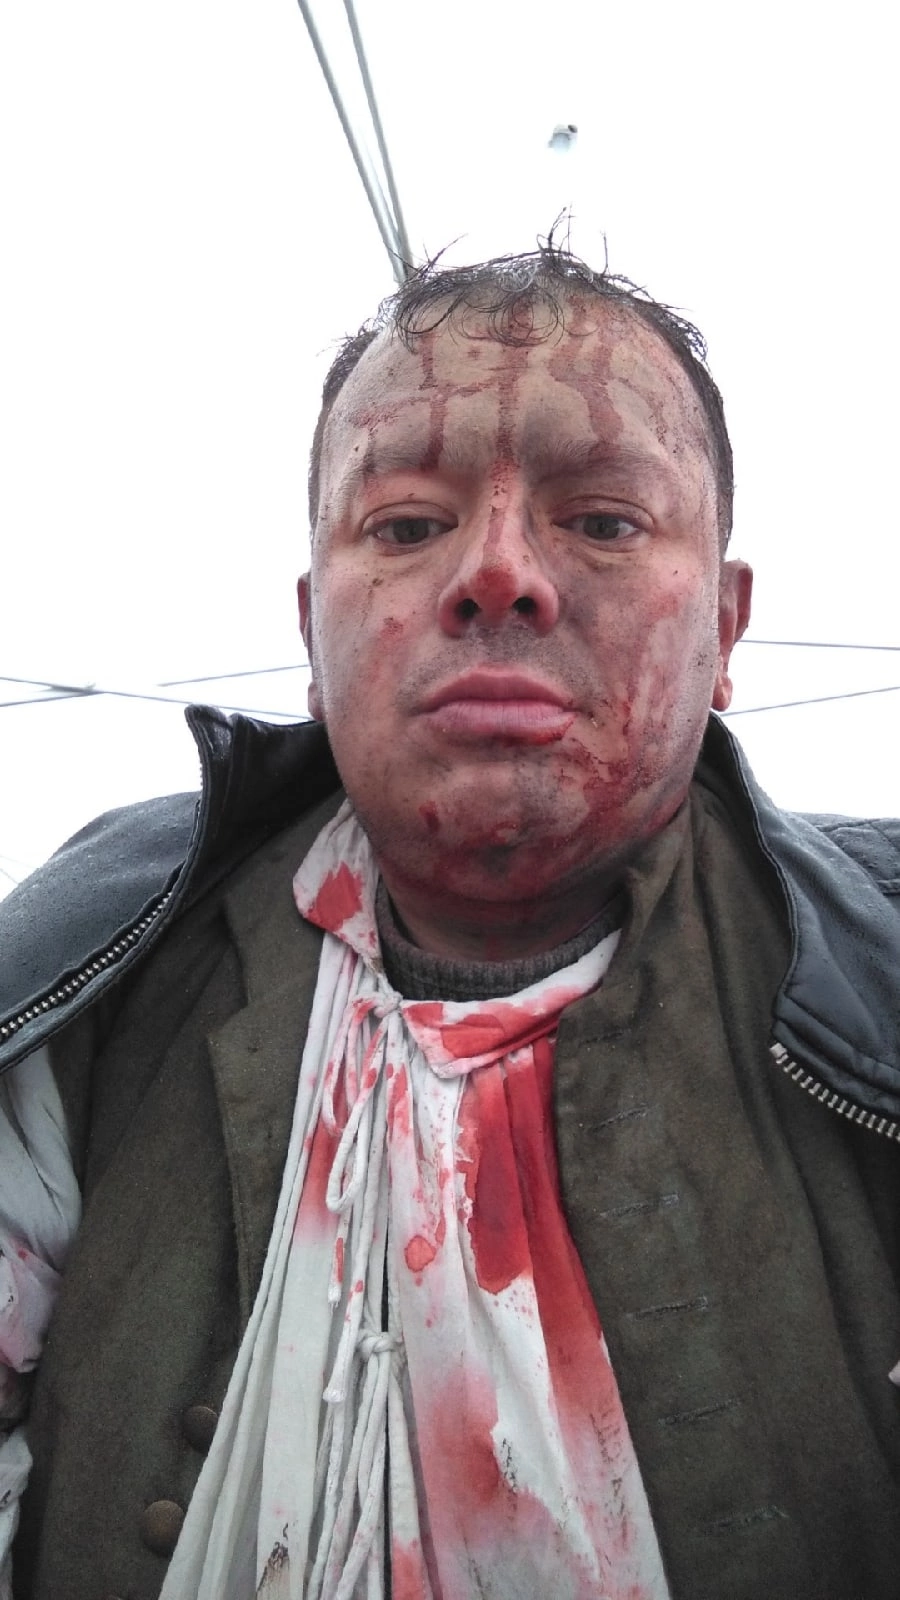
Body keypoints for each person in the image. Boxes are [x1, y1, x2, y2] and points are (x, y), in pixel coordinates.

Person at [1, 242, 899, 1600]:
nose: (498, 574)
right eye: (408, 526)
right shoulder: (83, 995)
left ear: (726, 627)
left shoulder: (872, 995)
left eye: (605, 521)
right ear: (312, 632)